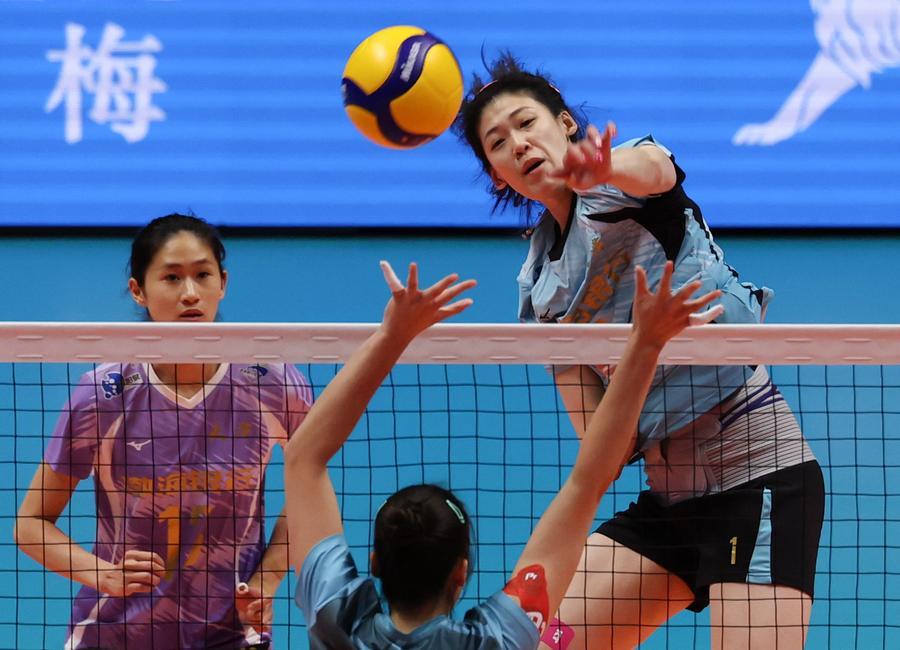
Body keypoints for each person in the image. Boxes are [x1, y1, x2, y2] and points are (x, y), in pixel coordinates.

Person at [455, 54, 825, 649]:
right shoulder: (539, 291)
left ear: (565, 123)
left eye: (526, 123)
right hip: (668, 501)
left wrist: (606, 165)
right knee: (543, 643)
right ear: (497, 175)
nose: (518, 144)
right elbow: (604, 444)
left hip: (757, 476)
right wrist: (633, 366)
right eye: (498, 142)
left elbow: (657, 170)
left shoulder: (619, 183)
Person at [286, 259, 721, 648]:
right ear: (461, 572)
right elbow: (586, 483)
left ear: (376, 563)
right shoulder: (500, 638)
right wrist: (646, 343)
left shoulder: (335, 619)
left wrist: (391, 335)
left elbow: (303, 458)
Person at [14, 214, 312, 649]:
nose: (190, 293)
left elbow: (311, 497)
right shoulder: (103, 396)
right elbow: (31, 523)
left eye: (202, 275)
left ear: (223, 282)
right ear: (139, 290)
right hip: (114, 634)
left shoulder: (272, 385)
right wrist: (102, 574)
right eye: (172, 278)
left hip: (231, 635)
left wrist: (266, 580)